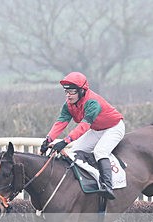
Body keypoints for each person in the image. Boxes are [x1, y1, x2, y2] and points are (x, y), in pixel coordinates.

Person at [40, 72, 124, 200]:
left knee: (100, 152)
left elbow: (84, 126)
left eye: (72, 91)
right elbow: (61, 122)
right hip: (97, 130)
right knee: (74, 152)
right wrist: (48, 139)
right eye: (66, 91)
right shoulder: (68, 104)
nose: (68, 95)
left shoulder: (92, 102)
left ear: (82, 91)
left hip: (114, 127)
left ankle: (108, 186)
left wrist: (65, 142)